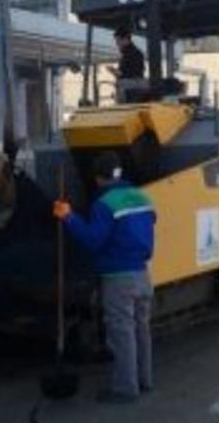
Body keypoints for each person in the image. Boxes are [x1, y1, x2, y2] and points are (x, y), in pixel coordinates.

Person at [53, 152, 157, 403]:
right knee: (141, 329)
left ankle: (125, 388)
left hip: (119, 277)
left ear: (99, 178)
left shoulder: (104, 204)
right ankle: (145, 379)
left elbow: (92, 240)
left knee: (121, 332)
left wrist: (68, 217)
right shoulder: (143, 197)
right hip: (143, 273)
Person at [108, 26, 146, 103]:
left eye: (118, 41)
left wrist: (115, 72)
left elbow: (130, 73)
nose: (117, 44)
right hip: (136, 83)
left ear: (125, 39)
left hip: (132, 85)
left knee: (120, 84)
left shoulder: (131, 53)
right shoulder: (134, 52)